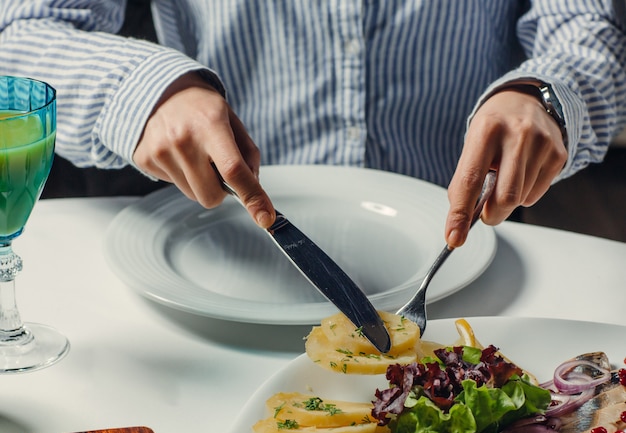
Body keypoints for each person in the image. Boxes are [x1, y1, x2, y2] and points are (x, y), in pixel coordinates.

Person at [1, 1, 625, 248]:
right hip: (224, 255)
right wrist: (145, 90)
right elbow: (18, 34)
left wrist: (541, 94)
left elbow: (585, 28)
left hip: (463, 256)